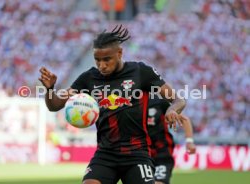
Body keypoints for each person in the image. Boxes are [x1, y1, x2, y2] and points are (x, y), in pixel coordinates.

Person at [39, 25, 186, 184]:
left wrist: (172, 109)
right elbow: (54, 105)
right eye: (97, 60)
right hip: (105, 155)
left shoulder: (141, 72)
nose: (101, 65)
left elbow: (178, 100)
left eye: (106, 59)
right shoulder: (88, 78)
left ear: (119, 53)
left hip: (136, 154)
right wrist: (50, 89)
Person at [147, 97, 196, 184]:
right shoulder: (133, 103)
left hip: (161, 153)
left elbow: (184, 119)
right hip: (141, 154)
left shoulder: (159, 102)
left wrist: (189, 141)